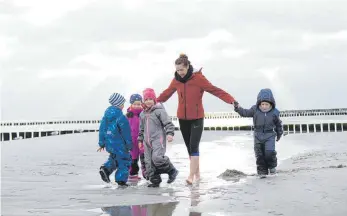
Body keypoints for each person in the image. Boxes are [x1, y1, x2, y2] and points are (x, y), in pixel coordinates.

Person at [156, 53, 236, 184]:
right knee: (189, 148)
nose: (180, 72)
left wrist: (231, 100)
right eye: (177, 70)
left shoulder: (198, 79)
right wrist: (151, 103)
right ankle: (197, 174)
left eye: (182, 69)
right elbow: (166, 94)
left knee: (194, 147)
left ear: (188, 67)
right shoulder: (176, 80)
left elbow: (215, 90)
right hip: (182, 118)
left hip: (197, 118)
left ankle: (191, 176)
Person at [233, 88, 283, 178]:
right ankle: (262, 172)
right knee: (259, 155)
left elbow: (278, 124)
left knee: (269, 152)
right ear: (259, 103)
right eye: (262, 104)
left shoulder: (274, 112)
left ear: (271, 104)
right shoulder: (255, 109)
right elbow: (245, 113)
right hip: (257, 135)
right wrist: (238, 108)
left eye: (266, 104)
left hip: (270, 135)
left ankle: (272, 167)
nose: (264, 106)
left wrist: (279, 134)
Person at [138, 88, 179, 187]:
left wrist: (170, 133)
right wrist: (140, 139)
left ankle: (171, 170)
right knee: (148, 161)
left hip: (158, 139)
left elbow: (168, 123)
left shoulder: (159, 111)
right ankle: (155, 180)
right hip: (146, 141)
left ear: (154, 100)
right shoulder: (142, 114)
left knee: (157, 158)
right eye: (146, 99)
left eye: (150, 99)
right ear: (144, 101)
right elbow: (141, 128)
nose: (148, 101)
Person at [97, 92, 133, 186]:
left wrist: (102, 143)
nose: (123, 106)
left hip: (109, 143)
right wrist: (129, 144)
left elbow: (102, 130)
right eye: (122, 104)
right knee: (124, 160)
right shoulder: (121, 117)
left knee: (114, 158)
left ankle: (106, 169)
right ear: (119, 104)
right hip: (120, 144)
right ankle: (121, 180)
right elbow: (126, 132)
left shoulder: (106, 117)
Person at [126, 93, 146, 180]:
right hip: (132, 141)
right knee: (133, 158)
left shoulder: (144, 114)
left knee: (144, 157)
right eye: (135, 104)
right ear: (131, 104)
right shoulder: (128, 115)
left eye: (139, 104)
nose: (137, 106)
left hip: (142, 140)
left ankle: (146, 173)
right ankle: (133, 174)